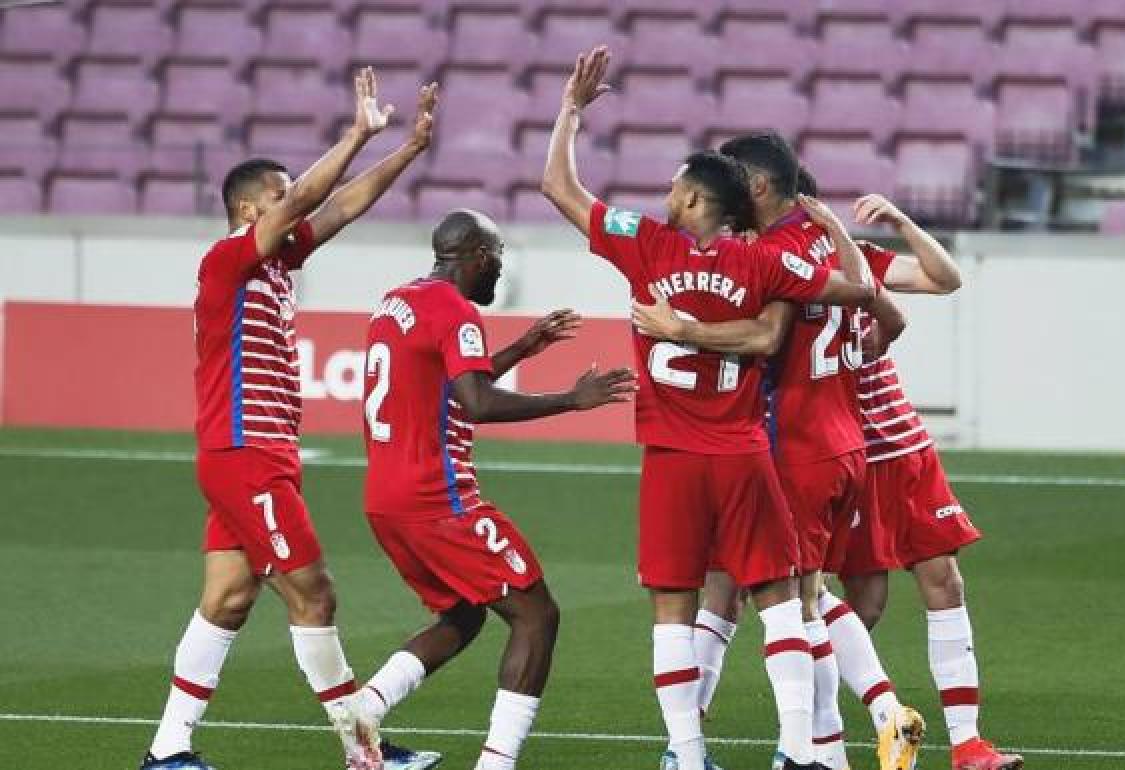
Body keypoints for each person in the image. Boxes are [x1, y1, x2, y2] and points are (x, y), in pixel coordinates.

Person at [541, 47, 878, 770]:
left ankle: (688, 756)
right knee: (782, 599)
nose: (666, 191)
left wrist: (572, 109)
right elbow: (856, 291)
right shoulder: (762, 262)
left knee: (673, 607)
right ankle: (797, 751)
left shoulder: (647, 245)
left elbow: (557, 187)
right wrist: (834, 228)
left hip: (669, 458)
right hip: (744, 455)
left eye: (674, 185)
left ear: (695, 200)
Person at [142, 70, 441, 770]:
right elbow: (311, 195)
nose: (292, 207)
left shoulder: (275, 264)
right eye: (277, 199)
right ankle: (363, 751)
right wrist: (358, 132)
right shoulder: (226, 263)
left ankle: (167, 751)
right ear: (250, 212)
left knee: (228, 598)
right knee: (315, 592)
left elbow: (337, 208)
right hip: (246, 451)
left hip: (254, 453)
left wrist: (409, 149)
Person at [632, 139, 922, 770]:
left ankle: (837, 740)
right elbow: (888, 310)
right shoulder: (821, 242)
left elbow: (765, 337)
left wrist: (683, 327)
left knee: (788, 602)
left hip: (788, 445)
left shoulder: (767, 255)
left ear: (756, 190)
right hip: (845, 438)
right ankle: (719, 744)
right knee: (764, 591)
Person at [354, 208, 637, 770]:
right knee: (537, 615)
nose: (500, 274)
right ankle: (497, 762)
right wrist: (567, 399)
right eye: (499, 260)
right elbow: (476, 402)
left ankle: (364, 711)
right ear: (478, 256)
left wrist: (524, 347)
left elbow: (447, 385)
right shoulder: (456, 309)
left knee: (464, 614)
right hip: (440, 499)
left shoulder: (398, 300)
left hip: (385, 499)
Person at [835, 196, 1024, 770]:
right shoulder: (777, 275)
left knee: (945, 582)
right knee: (862, 605)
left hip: (907, 448)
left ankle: (967, 744)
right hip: (848, 456)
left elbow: (945, 279)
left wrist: (902, 225)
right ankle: (818, 735)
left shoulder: (858, 259)